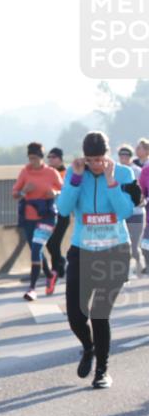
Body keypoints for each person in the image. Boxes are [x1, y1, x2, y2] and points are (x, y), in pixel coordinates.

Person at [57, 131, 138, 389]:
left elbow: (126, 211)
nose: (96, 164)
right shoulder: (75, 173)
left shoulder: (124, 173)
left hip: (114, 251)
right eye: (90, 159)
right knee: (75, 316)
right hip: (83, 250)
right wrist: (76, 180)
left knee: (100, 314)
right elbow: (64, 208)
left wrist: (111, 181)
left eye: (100, 159)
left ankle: (102, 370)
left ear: (108, 154)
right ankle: (88, 347)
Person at [10, 143, 62, 300]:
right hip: (28, 218)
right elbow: (14, 194)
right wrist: (24, 191)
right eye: (30, 158)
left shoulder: (51, 172)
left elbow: (64, 190)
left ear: (41, 157)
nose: (32, 161)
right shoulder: (25, 172)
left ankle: (32, 288)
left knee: (36, 249)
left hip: (47, 217)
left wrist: (54, 192)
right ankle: (49, 275)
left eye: (35, 158)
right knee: (36, 250)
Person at [117, 144, 145, 276]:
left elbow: (143, 190)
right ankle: (126, 272)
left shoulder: (137, 170)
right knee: (123, 245)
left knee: (134, 247)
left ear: (130, 156)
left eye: (126, 155)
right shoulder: (115, 171)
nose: (123, 158)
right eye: (121, 155)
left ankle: (139, 262)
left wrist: (142, 200)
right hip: (123, 213)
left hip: (137, 213)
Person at [44, 147, 71, 281]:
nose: (50, 160)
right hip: (49, 213)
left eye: (53, 157)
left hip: (63, 213)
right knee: (49, 243)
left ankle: (56, 270)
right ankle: (60, 262)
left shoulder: (67, 173)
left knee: (54, 242)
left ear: (60, 159)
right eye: (49, 157)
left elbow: (68, 190)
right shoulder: (47, 173)